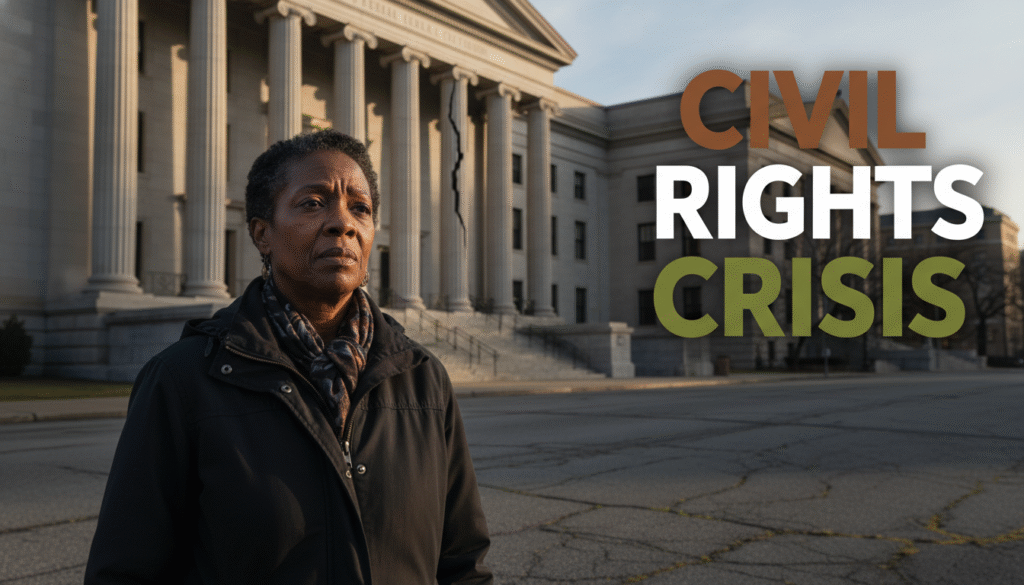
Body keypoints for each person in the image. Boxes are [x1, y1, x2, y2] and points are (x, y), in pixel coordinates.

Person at [85, 130, 493, 585]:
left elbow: (463, 563)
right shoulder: (182, 380)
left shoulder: (423, 380)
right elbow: (125, 572)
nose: (344, 223)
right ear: (262, 233)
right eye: (313, 203)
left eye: (360, 207)